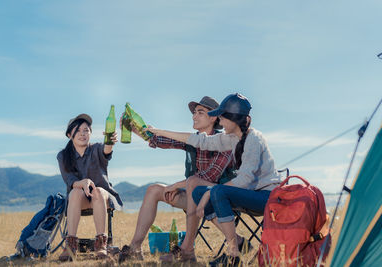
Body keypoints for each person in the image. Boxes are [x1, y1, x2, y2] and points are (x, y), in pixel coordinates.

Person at [146, 93, 281, 266]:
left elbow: (244, 180)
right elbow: (200, 141)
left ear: (233, 118)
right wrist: (158, 131)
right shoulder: (232, 138)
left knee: (214, 191)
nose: (221, 122)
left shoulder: (254, 139)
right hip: (248, 194)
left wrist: (209, 195)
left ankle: (233, 254)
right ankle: (236, 246)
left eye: (223, 118)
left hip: (265, 197)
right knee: (198, 191)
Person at [119, 96, 244, 263]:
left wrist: (177, 185)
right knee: (154, 189)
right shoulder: (192, 140)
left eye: (200, 112)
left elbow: (209, 177)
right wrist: (135, 129)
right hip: (195, 196)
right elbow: (160, 140)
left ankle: (188, 250)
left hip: (221, 199)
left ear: (214, 117)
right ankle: (135, 247)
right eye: (194, 112)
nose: (194, 116)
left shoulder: (225, 142)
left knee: (193, 186)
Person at [57, 113, 122, 261]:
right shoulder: (63, 156)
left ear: (91, 133)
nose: (82, 134)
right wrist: (84, 182)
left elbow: (107, 149)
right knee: (74, 192)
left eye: (86, 130)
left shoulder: (96, 149)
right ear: (69, 135)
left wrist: (110, 141)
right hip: (80, 199)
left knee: (98, 191)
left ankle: (101, 245)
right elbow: (70, 180)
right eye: (78, 130)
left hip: (102, 197)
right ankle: (71, 245)